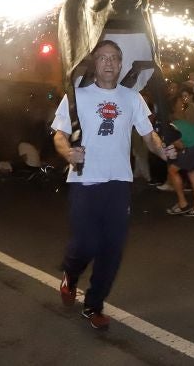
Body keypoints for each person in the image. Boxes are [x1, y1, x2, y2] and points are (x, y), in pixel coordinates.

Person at [52, 40, 171, 330]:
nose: (108, 63)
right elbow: (59, 134)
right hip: (84, 178)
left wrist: (161, 150)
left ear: (121, 64)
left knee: (112, 248)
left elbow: (148, 135)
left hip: (119, 182)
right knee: (86, 242)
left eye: (114, 58)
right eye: (103, 58)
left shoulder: (132, 98)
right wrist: (68, 152)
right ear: (95, 63)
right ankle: (71, 270)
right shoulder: (75, 96)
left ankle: (93, 305)